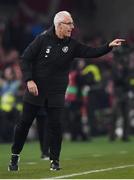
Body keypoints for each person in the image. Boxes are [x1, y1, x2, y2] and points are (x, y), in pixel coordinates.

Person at [8, 10, 125, 171]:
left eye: (72, 23)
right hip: (36, 90)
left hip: (56, 92)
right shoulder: (41, 40)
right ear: (59, 25)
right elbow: (25, 59)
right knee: (24, 124)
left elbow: (91, 52)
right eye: (69, 24)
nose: (72, 27)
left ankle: (54, 160)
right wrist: (29, 80)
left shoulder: (72, 45)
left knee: (56, 126)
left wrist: (108, 46)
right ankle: (15, 156)